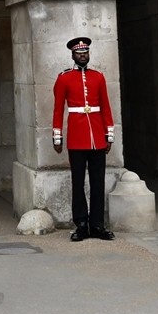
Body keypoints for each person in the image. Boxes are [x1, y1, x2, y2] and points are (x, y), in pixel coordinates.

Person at [52, 36, 116, 242]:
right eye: (79, 53)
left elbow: (105, 106)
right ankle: (81, 223)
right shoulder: (64, 78)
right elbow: (58, 109)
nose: (83, 56)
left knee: (98, 182)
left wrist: (109, 133)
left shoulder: (98, 77)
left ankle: (97, 224)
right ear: (73, 55)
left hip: (97, 136)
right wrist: (57, 135)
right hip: (77, 137)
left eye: (85, 53)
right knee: (78, 182)